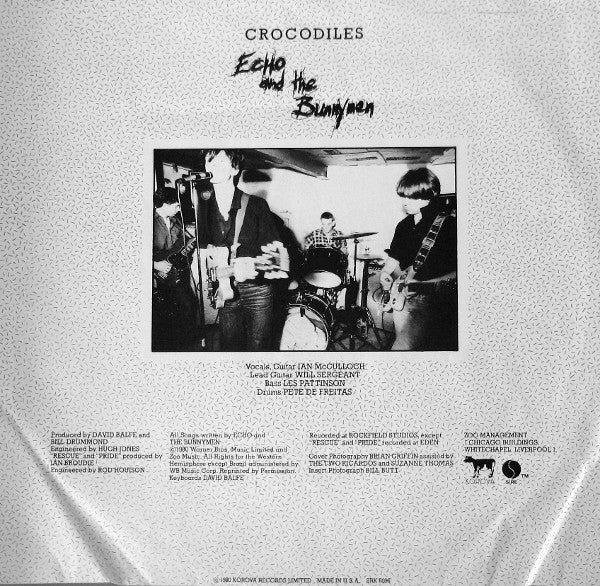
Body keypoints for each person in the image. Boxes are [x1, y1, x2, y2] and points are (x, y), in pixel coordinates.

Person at [195, 149, 287, 351]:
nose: (212, 166)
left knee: (258, 347)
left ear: (235, 169)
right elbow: (204, 247)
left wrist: (252, 265)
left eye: (219, 161)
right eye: (209, 161)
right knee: (229, 347)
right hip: (225, 288)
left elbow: (278, 259)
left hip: (257, 290)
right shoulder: (203, 208)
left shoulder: (256, 205)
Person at [379, 168, 457, 351]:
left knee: (402, 348)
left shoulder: (448, 225)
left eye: (411, 197)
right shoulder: (403, 225)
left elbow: (459, 272)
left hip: (430, 301)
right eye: (403, 196)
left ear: (430, 195)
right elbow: (394, 257)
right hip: (401, 295)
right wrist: (385, 272)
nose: (404, 202)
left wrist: (425, 285)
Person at [152, 186, 199, 350]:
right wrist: (154, 264)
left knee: (188, 307)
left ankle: (184, 347)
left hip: (177, 273)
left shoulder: (176, 221)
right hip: (158, 276)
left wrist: (189, 248)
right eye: (176, 205)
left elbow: (183, 244)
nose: (179, 209)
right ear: (165, 204)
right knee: (179, 310)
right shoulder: (148, 221)